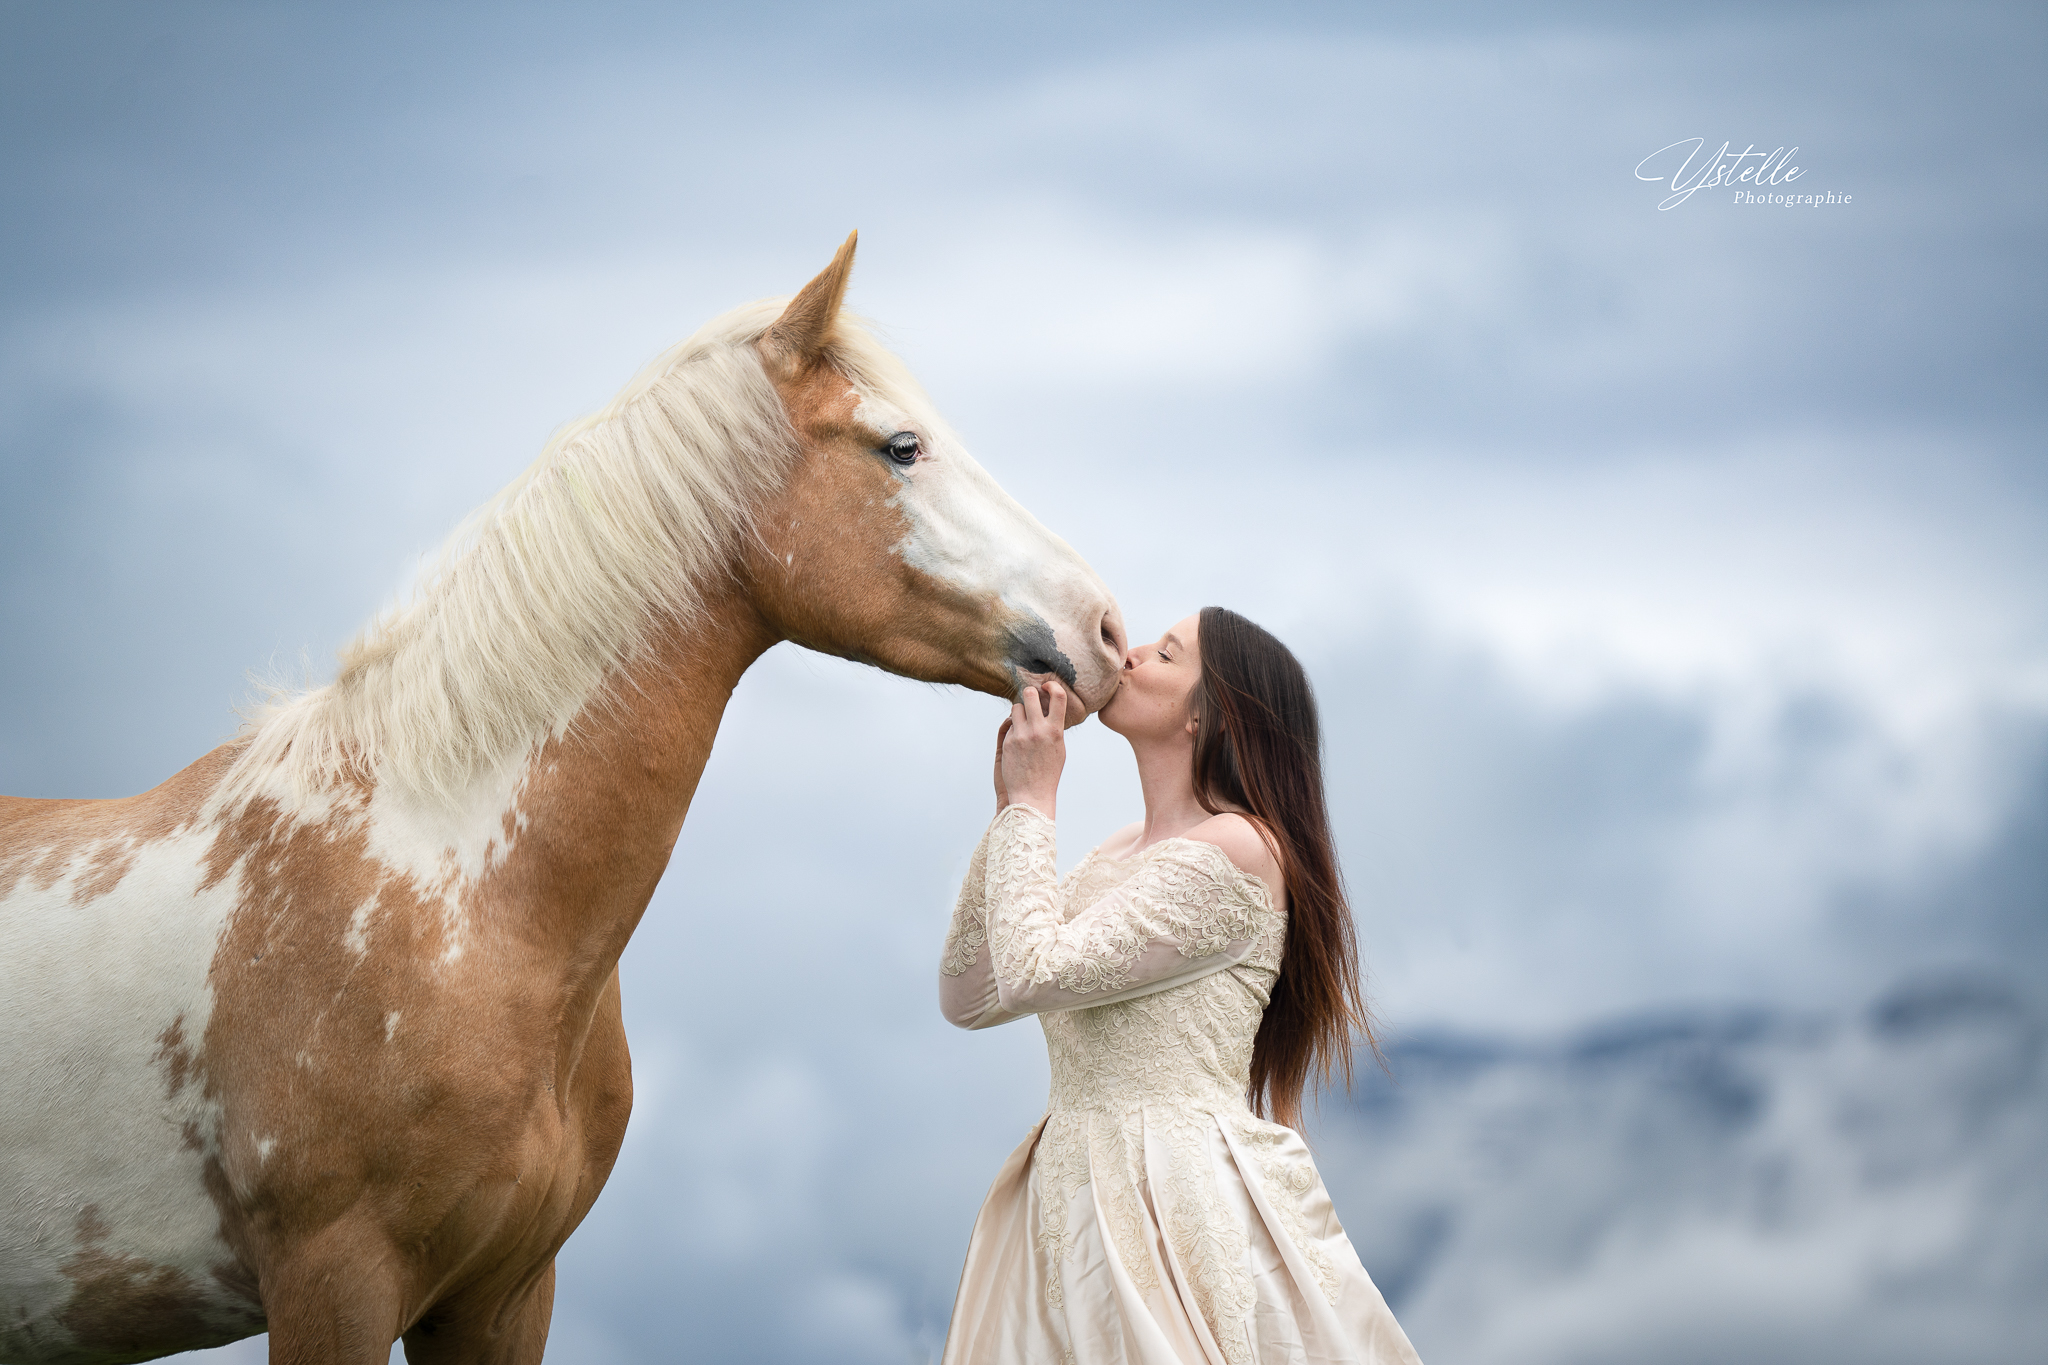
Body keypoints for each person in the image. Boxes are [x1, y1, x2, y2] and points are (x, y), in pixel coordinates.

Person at [938, 607, 1424, 1365]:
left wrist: (1035, 803)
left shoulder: (1238, 850)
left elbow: (1037, 972)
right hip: (1070, 1202)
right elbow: (968, 994)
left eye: (1164, 653)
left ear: (1208, 715)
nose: (1128, 656)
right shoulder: (1114, 854)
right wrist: (1009, 811)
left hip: (1170, 1205)